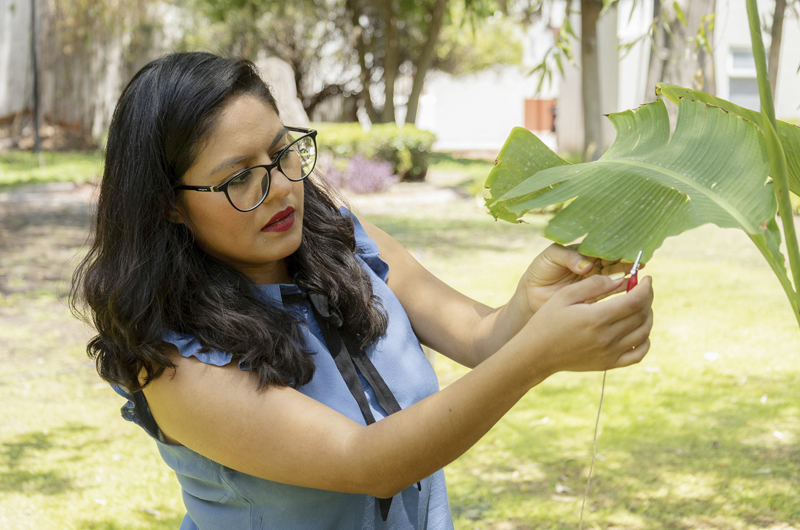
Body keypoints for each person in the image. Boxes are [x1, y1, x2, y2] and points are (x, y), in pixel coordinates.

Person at [71, 52, 654, 530]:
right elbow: (367, 463)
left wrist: (533, 303)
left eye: (281, 153)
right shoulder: (175, 364)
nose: (280, 189)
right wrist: (539, 356)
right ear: (168, 205)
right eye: (239, 176)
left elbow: (480, 337)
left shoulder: (342, 240)